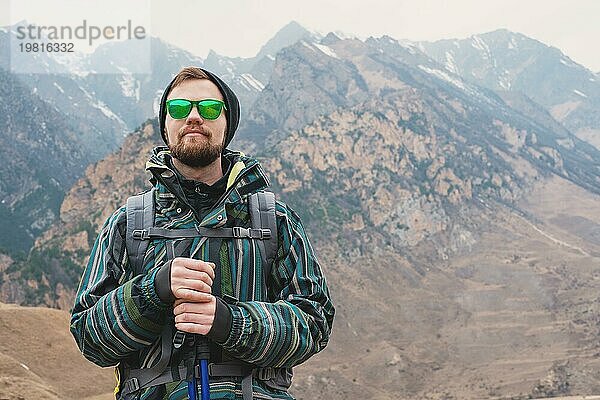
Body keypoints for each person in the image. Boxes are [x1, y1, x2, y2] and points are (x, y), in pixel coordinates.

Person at [70, 66, 335, 400]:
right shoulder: (128, 224)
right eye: (180, 109)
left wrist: (230, 322)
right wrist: (154, 291)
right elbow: (89, 338)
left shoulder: (274, 221)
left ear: (227, 124)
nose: (194, 117)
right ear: (166, 126)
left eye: (209, 108)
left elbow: (315, 321)